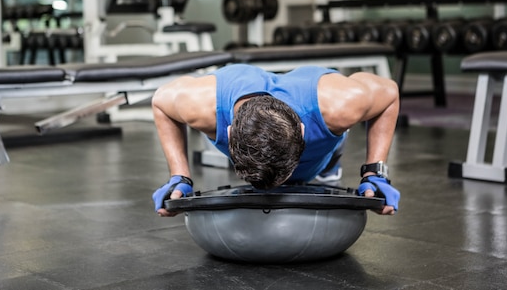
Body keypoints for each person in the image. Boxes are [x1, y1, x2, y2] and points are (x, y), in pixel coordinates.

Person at [151, 64, 401, 216]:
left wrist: (374, 172)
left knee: (333, 141)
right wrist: (179, 176)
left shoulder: (340, 105)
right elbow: (160, 102)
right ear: (228, 134)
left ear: (303, 132)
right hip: (247, 94)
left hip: (322, 137)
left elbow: (389, 93)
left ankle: (331, 161)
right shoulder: (201, 106)